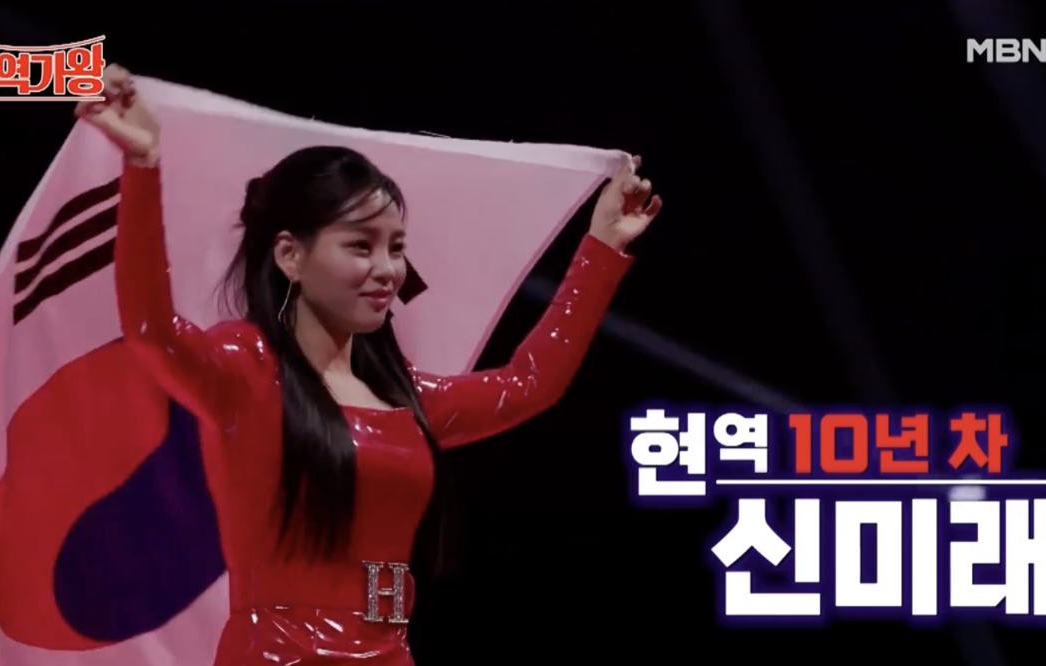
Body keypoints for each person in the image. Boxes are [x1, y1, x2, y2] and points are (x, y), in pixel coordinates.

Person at [76, 65, 661, 665]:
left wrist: (602, 245)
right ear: (290, 256)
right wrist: (142, 165)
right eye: (361, 245)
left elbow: (530, 383)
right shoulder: (246, 369)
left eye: (396, 248)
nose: (388, 270)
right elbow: (152, 333)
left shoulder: (405, 396)